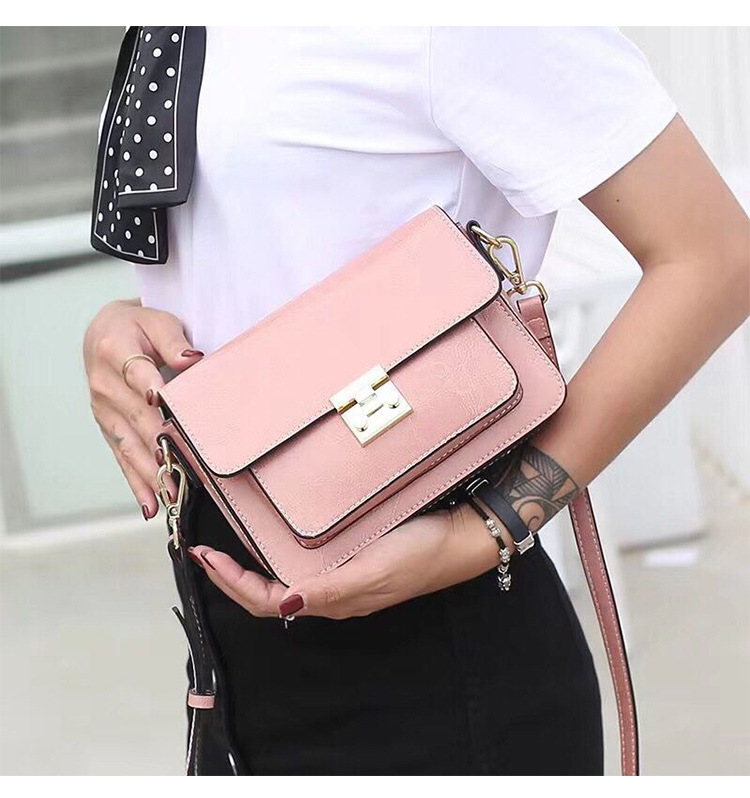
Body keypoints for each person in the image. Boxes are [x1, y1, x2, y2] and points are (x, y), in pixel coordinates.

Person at [83, 27, 749, 775]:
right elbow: (255, 253)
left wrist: (486, 529)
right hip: (230, 652)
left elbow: (714, 255)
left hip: (431, 640)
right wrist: (120, 328)